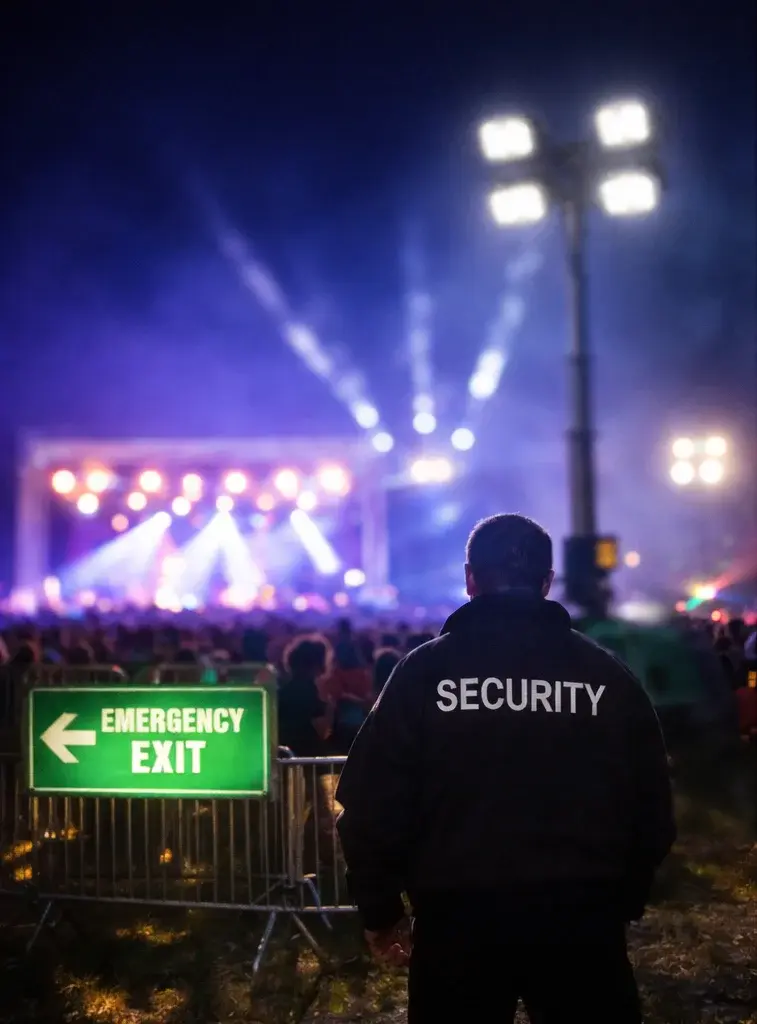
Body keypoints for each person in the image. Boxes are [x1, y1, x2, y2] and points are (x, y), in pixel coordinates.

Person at [336, 513, 676, 1024]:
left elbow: (370, 803)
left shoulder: (424, 674)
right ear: (547, 582)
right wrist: (622, 898)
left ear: (470, 578)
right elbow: (652, 805)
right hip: (581, 920)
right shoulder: (607, 677)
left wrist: (381, 911)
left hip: (457, 922)